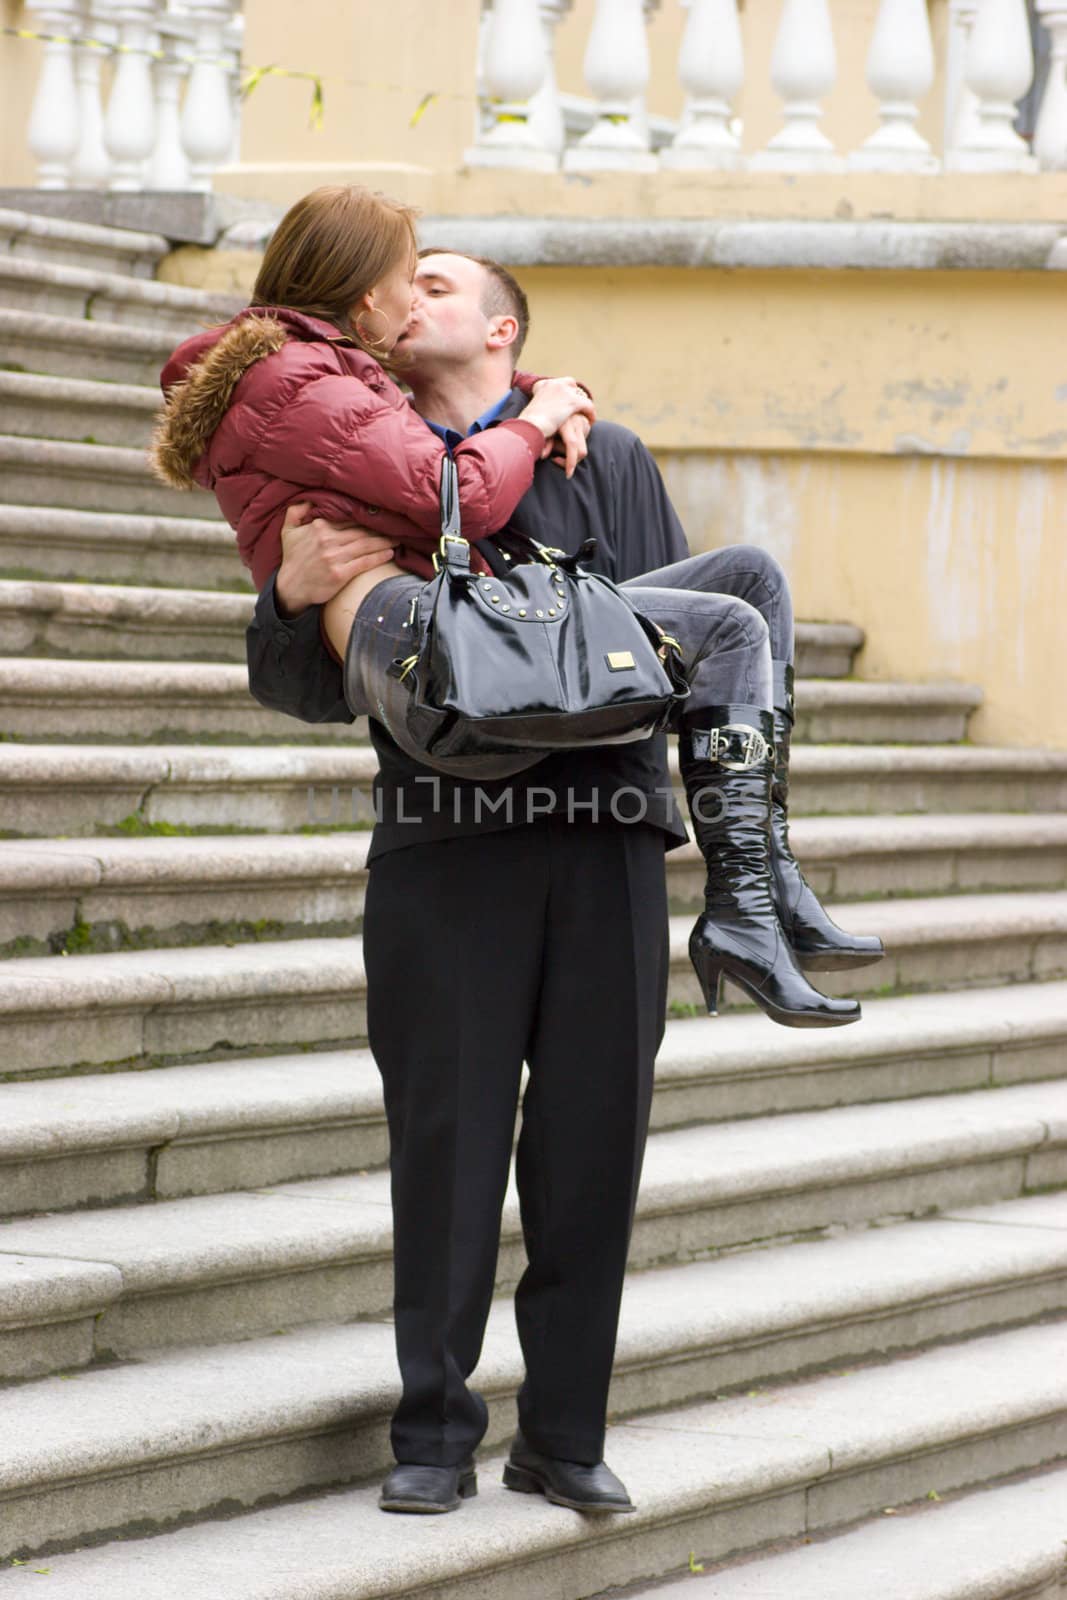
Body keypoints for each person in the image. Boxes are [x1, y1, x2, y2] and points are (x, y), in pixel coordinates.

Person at [152, 192, 884, 1516]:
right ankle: (431, 1437)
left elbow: (677, 669)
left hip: (605, 852)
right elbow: (295, 684)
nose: (407, 295)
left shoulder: (603, 458)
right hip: (443, 853)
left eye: (439, 282)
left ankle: (563, 1435)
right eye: (400, 279)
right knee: (445, 1154)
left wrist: (533, 625)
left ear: (500, 329)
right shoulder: (352, 451)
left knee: (591, 1163)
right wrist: (291, 597)